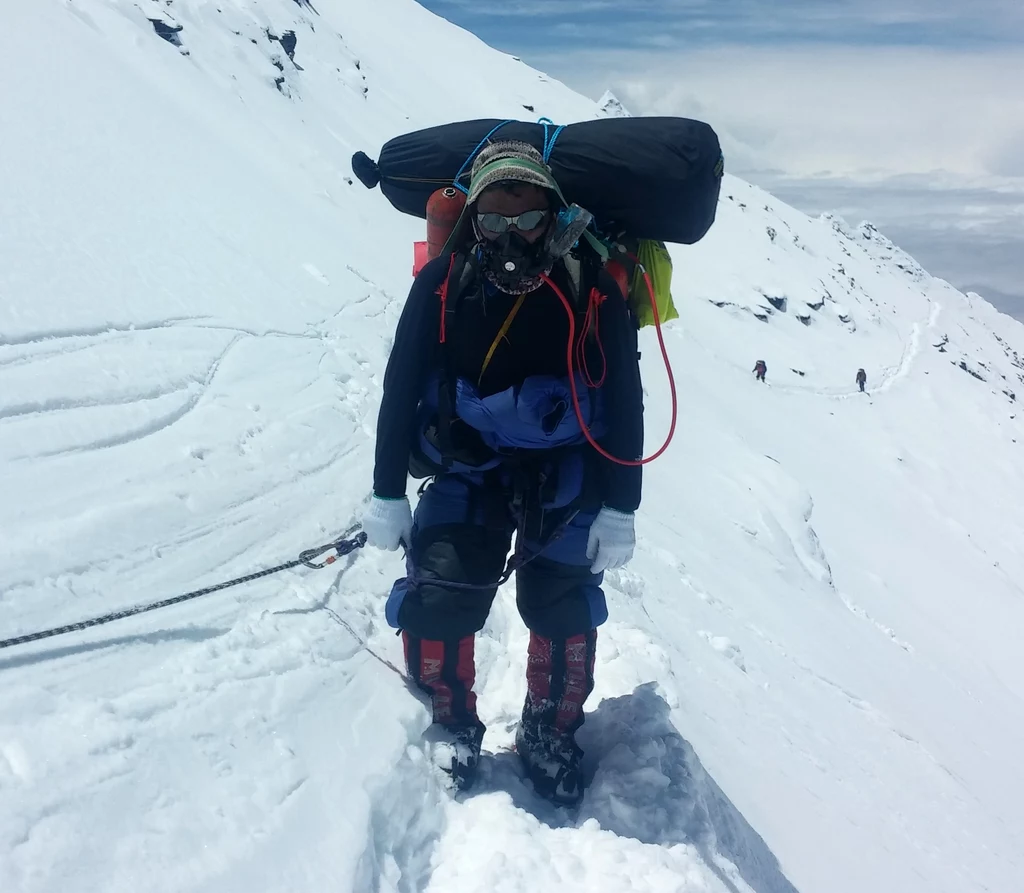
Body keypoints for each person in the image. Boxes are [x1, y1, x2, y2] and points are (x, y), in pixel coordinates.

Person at [362, 141, 645, 804]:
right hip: (473, 460)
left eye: (525, 218)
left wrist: (621, 504)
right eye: (493, 219)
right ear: (473, 220)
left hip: (567, 467)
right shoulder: (446, 280)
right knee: (441, 585)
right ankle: (451, 723)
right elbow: (402, 383)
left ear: (552, 212)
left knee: (563, 602)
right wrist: (386, 492)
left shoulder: (593, 283)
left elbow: (627, 397)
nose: (510, 235)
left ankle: (550, 730)